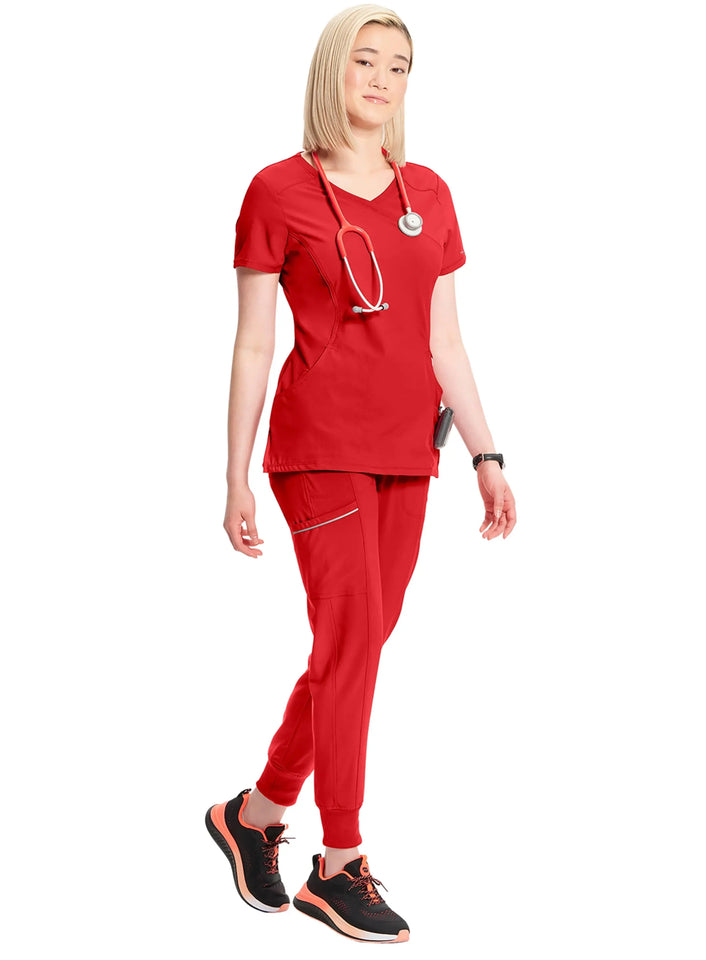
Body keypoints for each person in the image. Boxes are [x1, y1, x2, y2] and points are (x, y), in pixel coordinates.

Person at [205, 3, 517, 944]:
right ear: (331, 73)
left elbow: (445, 339)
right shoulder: (277, 191)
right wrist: (234, 477)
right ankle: (338, 863)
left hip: (407, 453)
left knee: (357, 650)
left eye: (400, 66)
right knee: (350, 643)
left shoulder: (430, 190)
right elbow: (255, 342)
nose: (381, 80)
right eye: (364, 62)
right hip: (317, 449)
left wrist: (488, 452)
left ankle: (253, 815)